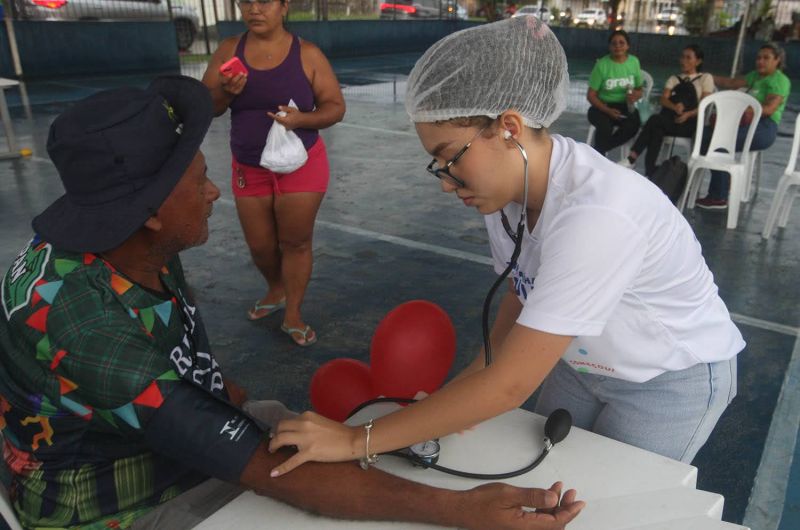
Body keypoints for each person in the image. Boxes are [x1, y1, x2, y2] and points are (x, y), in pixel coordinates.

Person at [0, 76, 583, 530]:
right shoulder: (83, 322)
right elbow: (262, 469)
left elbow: (179, 370)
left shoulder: (127, 239)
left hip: (156, 441)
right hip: (116, 503)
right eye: (198, 182)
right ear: (148, 213)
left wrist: (219, 402)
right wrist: (461, 510)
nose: (214, 191)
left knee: (285, 423)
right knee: (303, 484)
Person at [267, 16, 744, 479]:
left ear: (510, 127)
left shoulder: (598, 215)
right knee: (548, 476)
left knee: (619, 500)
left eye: (449, 157)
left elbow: (511, 384)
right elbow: (520, 298)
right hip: (580, 361)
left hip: (664, 376)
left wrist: (356, 440)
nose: (446, 184)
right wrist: (460, 393)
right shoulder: (507, 197)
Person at [202, 0, 346, 346]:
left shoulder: (307, 54)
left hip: (302, 163)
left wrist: (302, 120)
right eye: (246, 2)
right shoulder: (228, 50)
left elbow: (335, 106)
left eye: (264, 1)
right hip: (249, 165)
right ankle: (276, 287)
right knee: (261, 246)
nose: (254, 9)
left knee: (295, 241)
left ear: (284, 6)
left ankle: (293, 312)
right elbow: (209, 107)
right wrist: (225, 90)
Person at [695, 42, 791, 210]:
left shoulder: (780, 81)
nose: (760, 61)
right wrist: (705, 76)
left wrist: (744, 109)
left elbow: (768, 109)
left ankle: (719, 196)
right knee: (703, 137)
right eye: (759, 58)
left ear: (777, 60)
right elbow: (731, 83)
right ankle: (726, 180)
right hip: (742, 122)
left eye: (766, 58)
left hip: (764, 127)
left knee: (721, 141)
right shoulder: (755, 76)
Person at [621, 44, 714, 176]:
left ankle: (632, 158)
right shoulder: (673, 79)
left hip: (690, 123)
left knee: (654, 121)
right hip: (670, 120)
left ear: (698, 61)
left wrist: (688, 114)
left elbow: (704, 104)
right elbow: (664, 99)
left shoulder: (705, 78)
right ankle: (650, 170)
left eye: (688, 58)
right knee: (657, 129)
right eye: (682, 57)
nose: (683, 61)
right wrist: (674, 107)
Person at [586, 29, 643, 157]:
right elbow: (591, 95)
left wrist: (635, 95)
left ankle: (597, 152)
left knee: (634, 124)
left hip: (625, 106)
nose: (617, 46)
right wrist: (607, 110)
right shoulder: (602, 65)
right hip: (602, 106)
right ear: (609, 47)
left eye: (621, 43)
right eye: (614, 43)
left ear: (628, 46)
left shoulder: (634, 62)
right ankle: (599, 157)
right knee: (605, 127)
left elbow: (640, 89)